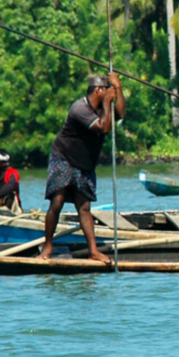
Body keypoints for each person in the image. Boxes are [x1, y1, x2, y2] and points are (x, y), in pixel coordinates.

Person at [38, 72, 126, 262]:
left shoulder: (105, 107)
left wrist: (118, 88)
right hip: (64, 158)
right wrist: (107, 104)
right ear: (98, 90)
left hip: (85, 163)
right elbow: (104, 127)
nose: (110, 93)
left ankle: (93, 251)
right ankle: (47, 247)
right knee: (57, 202)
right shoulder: (80, 109)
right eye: (107, 89)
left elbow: (121, 114)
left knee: (84, 206)